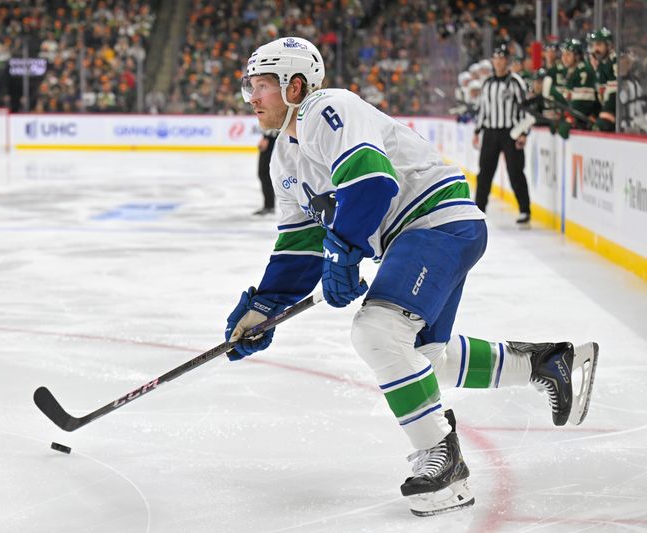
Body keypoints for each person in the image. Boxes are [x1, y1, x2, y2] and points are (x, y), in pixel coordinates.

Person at [225, 36, 599, 517]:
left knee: (378, 332)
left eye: (261, 86)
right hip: (418, 236)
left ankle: (445, 460)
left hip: (435, 221)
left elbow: (372, 181)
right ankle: (545, 363)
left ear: (295, 85)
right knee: (422, 358)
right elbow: (299, 246)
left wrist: (344, 252)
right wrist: (262, 307)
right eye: (248, 87)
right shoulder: (285, 158)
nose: (251, 97)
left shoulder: (326, 108)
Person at [472, 43, 532, 224]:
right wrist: (477, 131)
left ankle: (524, 210)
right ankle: (478, 209)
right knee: (485, 172)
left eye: (501, 58)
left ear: (507, 61)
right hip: (490, 132)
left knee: (515, 172)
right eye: (495, 58)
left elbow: (525, 110)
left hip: (511, 133)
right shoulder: (487, 83)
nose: (498, 62)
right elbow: (483, 109)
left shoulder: (515, 82)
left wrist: (524, 133)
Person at [588, 27, 617, 131]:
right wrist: (593, 114)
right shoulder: (600, 66)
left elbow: (615, 96)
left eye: (599, 44)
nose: (595, 49)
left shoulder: (615, 63)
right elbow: (599, 95)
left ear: (609, 45)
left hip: (620, 119)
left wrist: (605, 116)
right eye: (593, 45)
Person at [253, 130, 277, 215]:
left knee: (264, 173)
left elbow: (272, 117)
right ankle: (269, 205)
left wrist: (266, 137)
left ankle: (269, 206)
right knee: (265, 173)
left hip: (272, 137)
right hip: (273, 136)